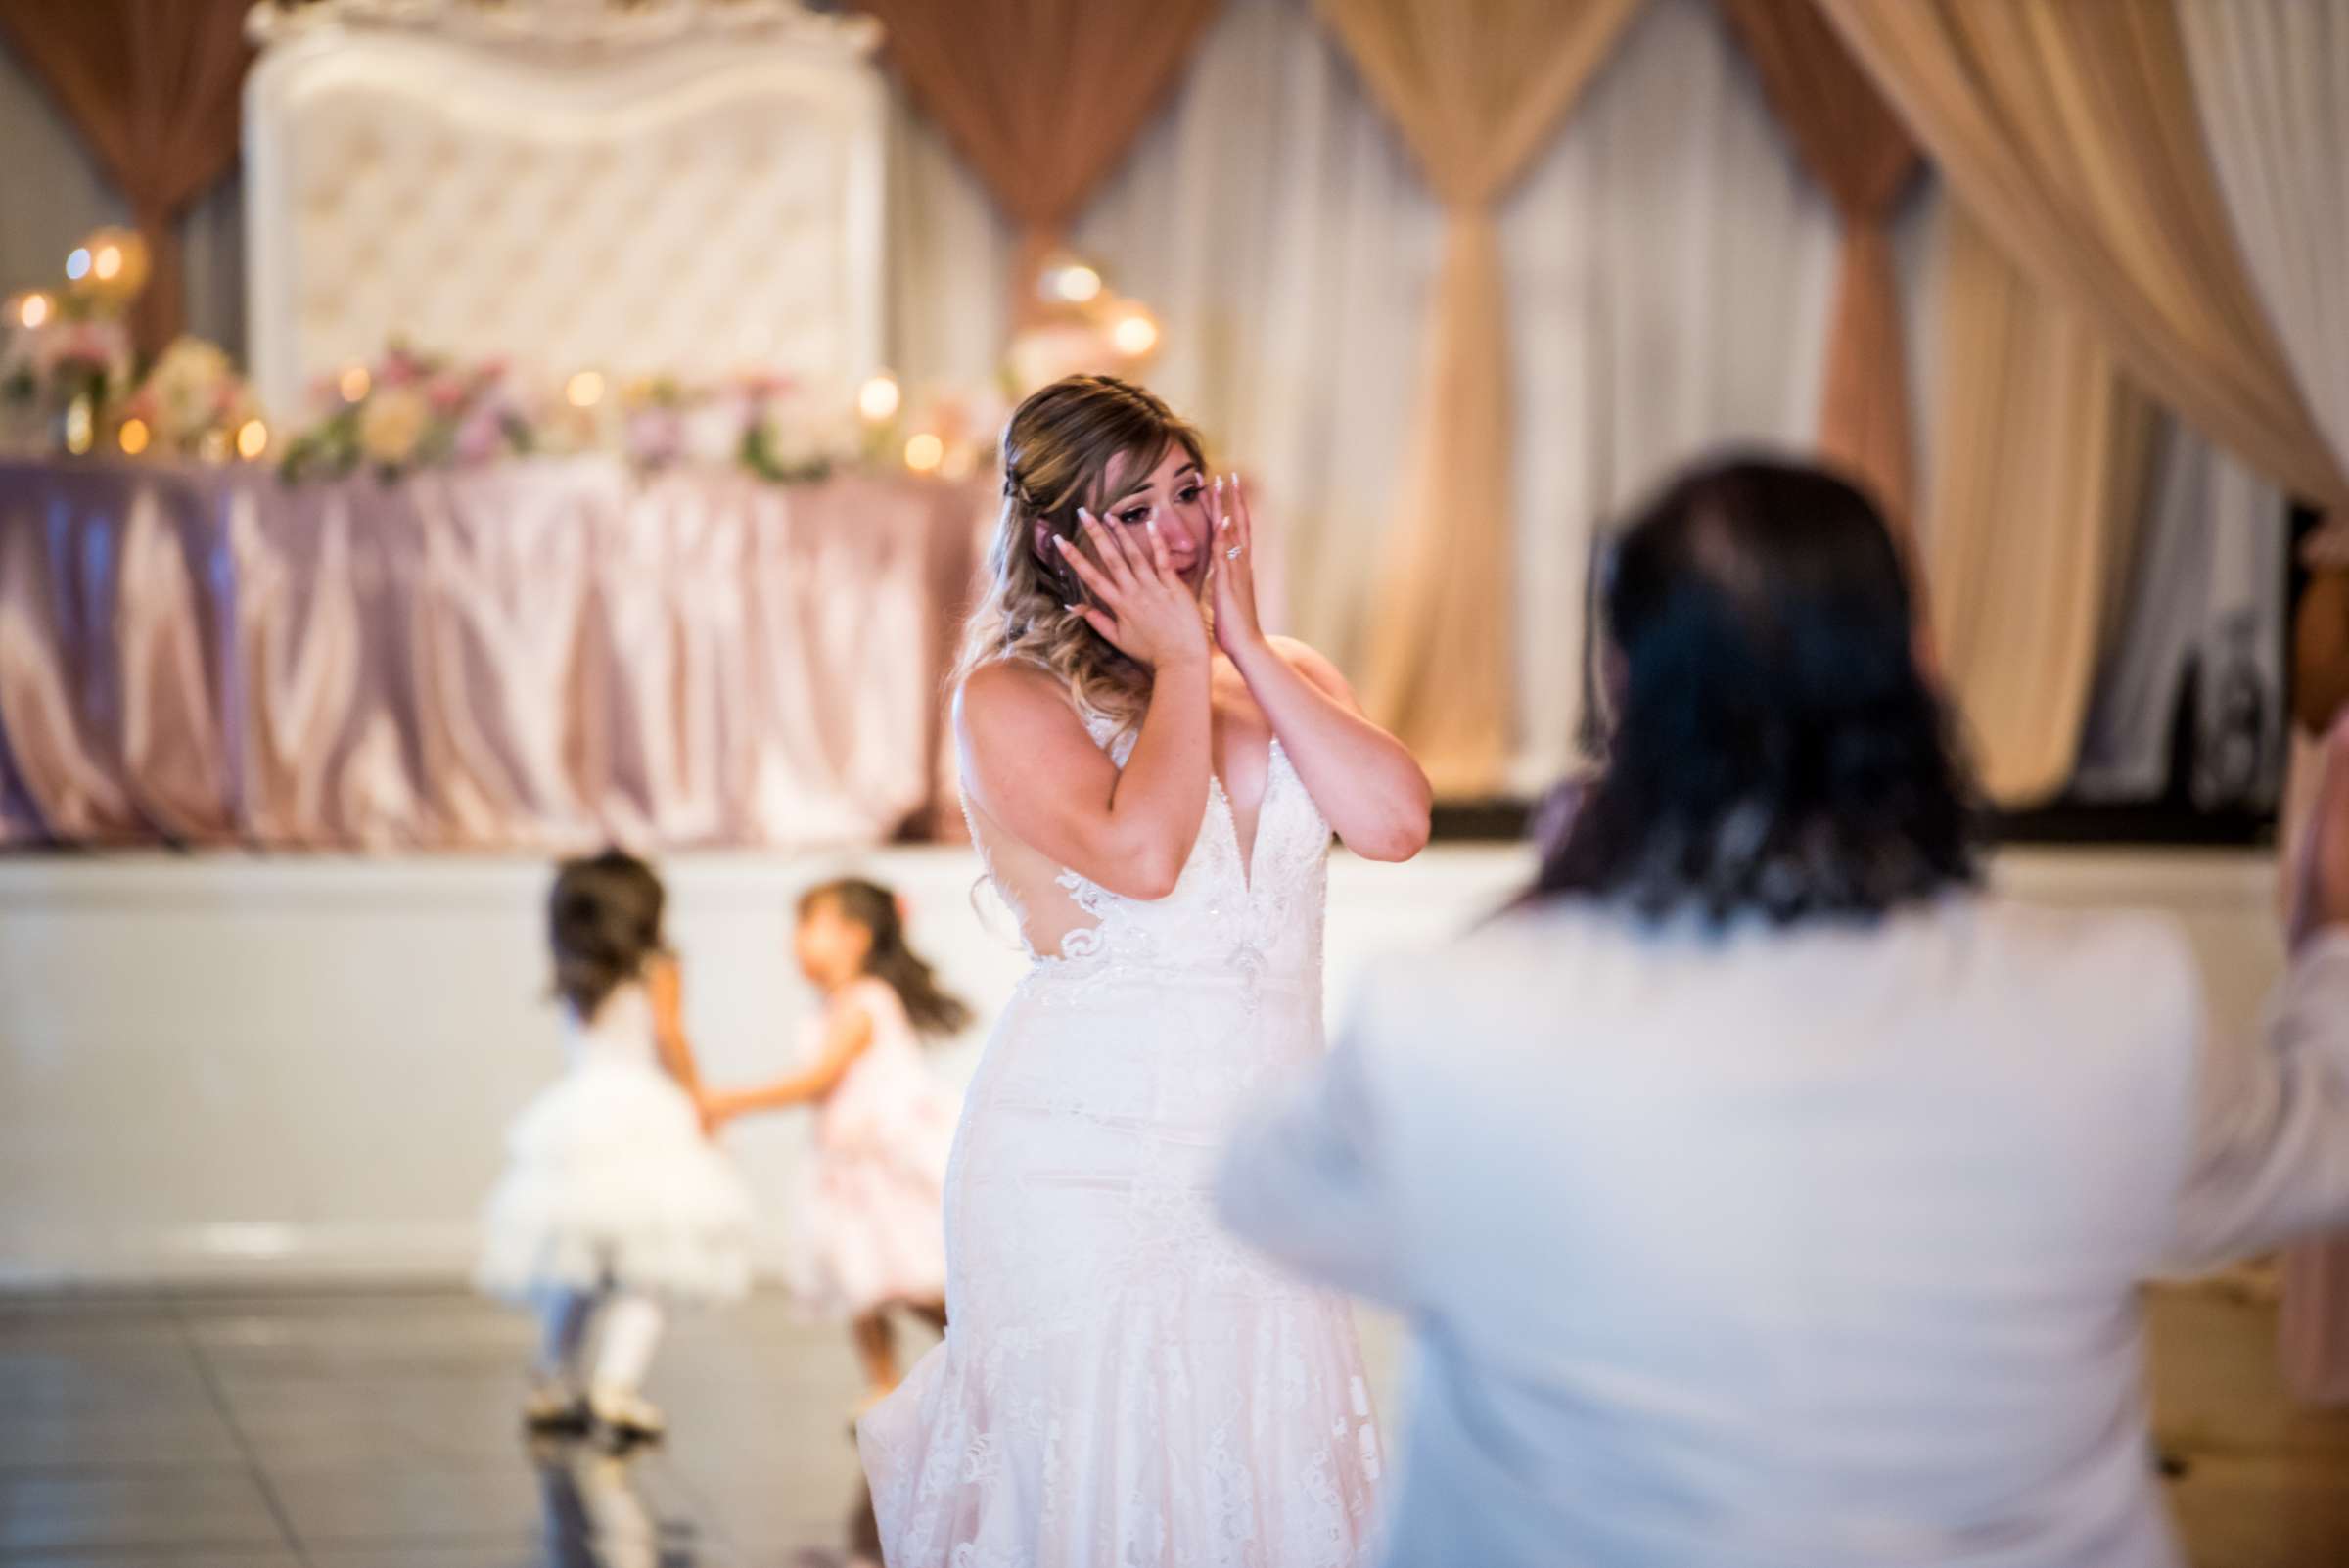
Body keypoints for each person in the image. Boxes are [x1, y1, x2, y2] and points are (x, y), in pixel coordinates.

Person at [1217, 455, 2349, 1568]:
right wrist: (2339, 934)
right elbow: (2322, 1143)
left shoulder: (1462, 1020)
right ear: (1921, 662)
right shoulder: (2109, 1004)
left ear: (1621, 679)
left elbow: (1267, 1196)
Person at [859, 374, 1432, 1566]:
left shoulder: (1289, 672)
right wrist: (1178, 668)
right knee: (1097, 1485)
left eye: (1185, 491)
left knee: (1260, 1469)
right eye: (1132, 513)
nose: (1178, 532)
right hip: (1081, 1167)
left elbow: (1392, 823)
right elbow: (1147, 855)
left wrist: (1243, 649)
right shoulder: (1009, 696)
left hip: (1260, 1158)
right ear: (1058, 536)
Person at [478, 850, 754, 1445]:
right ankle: (615, 1387)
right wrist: (699, 1100)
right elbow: (671, 1038)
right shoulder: (658, 967)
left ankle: (550, 1381)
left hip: (578, 1119)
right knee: (648, 1270)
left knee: (577, 1267)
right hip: (647, 1118)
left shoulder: (575, 971)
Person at [702, 877, 968, 1417]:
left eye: (809, 925)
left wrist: (730, 1101)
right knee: (860, 1281)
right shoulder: (830, 1004)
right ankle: (884, 1382)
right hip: (847, 1168)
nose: (795, 940)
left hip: (883, 1162)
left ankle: (978, 1356)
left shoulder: (865, 1002)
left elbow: (818, 1081)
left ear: (855, 936)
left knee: (914, 1280)